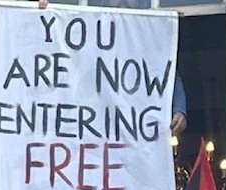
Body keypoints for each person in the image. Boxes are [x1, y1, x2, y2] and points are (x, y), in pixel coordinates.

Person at [38, 0, 189, 135]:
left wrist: (179, 109)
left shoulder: (149, 34)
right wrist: (46, 14)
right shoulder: (86, 29)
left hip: (135, 131)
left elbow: (165, 72)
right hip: (94, 126)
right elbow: (59, 54)